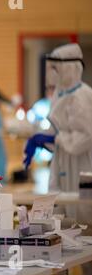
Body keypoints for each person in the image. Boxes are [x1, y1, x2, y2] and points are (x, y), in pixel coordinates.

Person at [24, 43, 92, 222]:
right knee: (62, 214)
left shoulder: (83, 95)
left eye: (56, 67)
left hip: (83, 165)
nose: (53, 73)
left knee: (84, 214)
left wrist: (54, 138)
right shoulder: (60, 95)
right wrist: (38, 140)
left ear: (69, 67)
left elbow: (85, 137)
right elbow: (59, 132)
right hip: (63, 165)